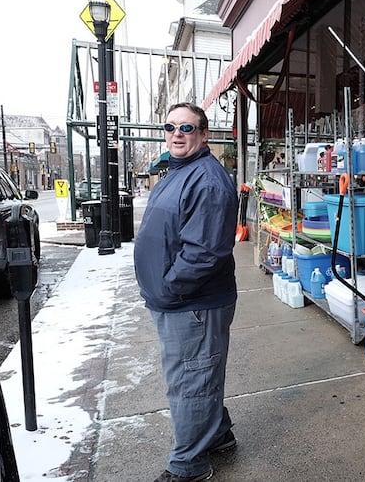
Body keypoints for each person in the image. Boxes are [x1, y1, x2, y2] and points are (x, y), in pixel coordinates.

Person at [134, 102, 238, 482]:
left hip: (192, 302)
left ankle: (188, 465)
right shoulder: (179, 170)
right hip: (178, 299)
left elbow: (206, 252)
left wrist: (169, 287)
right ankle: (219, 435)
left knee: (191, 380)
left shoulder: (207, 180)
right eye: (171, 126)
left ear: (204, 134)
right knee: (199, 373)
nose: (178, 134)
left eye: (188, 128)